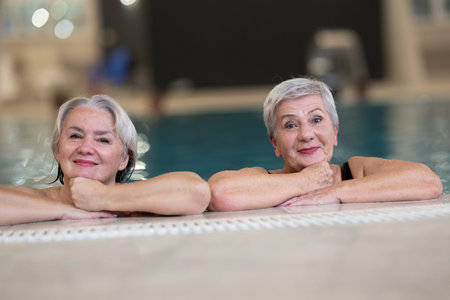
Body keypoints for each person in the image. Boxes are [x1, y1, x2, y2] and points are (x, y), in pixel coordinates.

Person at [208, 78, 443, 211]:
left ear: (335, 132)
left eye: (316, 120)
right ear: (275, 144)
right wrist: (305, 181)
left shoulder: (355, 172)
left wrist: (335, 192)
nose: (306, 134)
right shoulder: (264, 179)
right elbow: (219, 193)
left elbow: (428, 181)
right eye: (290, 125)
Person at [0, 95, 210, 225]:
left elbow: (197, 192)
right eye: (75, 136)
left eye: (103, 140)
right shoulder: (39, 200)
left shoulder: (141, 200)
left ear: (124, 160)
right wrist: (63, 210)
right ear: (56, 150)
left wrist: (103, 197)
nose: (86, 148)